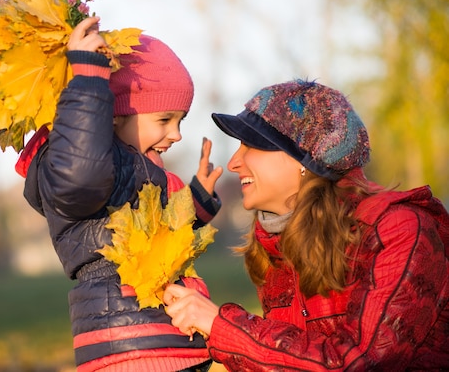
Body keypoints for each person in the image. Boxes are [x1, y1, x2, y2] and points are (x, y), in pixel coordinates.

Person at [164, 79, 449, 371]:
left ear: (304, 158)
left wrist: (221, 326)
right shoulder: (276, 245)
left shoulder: (400, 230)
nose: (235, 162)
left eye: (250, 145)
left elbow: (359, 364)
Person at [20, 16, 223, 371]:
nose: (176, 134)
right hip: (131, 350)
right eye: (164, 120)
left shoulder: (145, 171)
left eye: (181, 121)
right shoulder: (89, 167)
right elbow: (81, 174)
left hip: (173, 342)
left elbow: (166, 235)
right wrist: (88, 82)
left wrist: (198, 201)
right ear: (114, 115)